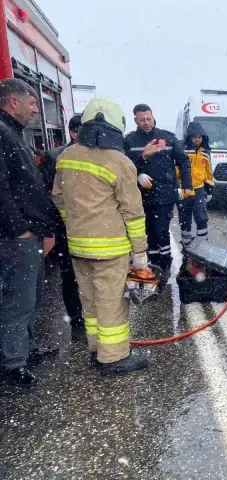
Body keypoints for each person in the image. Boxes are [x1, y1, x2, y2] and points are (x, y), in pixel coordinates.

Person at [52, 97, 150, 375]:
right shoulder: (119, 162)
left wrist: (75, 225)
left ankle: (96, 350)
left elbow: (59, 198)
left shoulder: (66, 156)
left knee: (90, 302)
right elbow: (133, 212)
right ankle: (114, 357)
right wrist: (140, 253)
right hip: (111, 249)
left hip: (78, 246)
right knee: (112, 302)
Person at [0, 78, 59, 388]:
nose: (36, 108)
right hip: (15, 239)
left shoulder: (14, 133)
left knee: (33, 298)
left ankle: (27, 349)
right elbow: (2, 188)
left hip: (30, 234)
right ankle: (14, 365)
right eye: (32, 102)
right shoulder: (3, 133)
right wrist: (19, 230)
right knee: (17, 302)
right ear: (13, 102)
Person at [124, 104, 192, 281]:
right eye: (142, 120)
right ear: (135, 121)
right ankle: (153, 265)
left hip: (165, 196)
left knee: (162, 231)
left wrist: (187, 186)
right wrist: (138, 170)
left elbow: (183, 161)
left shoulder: (167, 138)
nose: (146, 123)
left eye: (148, 118)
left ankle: (165, 264)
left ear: (153, 117)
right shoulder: (129, 141)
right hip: (141, 197)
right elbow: (123, 168)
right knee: (148, 234)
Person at [40, 114, 86, 342]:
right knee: (70, 277)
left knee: (94, 277)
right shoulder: (55, 157)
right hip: (66, 227)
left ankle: (94, 322)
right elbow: (49, 194)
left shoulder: (96, 156)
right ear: (73, 132)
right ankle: (77, 323)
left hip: (92, 227)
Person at [177, 121, 213, 247]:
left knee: (201, 217)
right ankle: (186, 244)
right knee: (184, 218)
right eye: (194, 137)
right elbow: (175, 169)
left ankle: (203, 244)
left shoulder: (205, 152)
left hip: (200, 189)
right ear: (189, 137)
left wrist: (209, 190)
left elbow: (209, 173)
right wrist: (177, 186)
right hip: (184, 189)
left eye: (199, 137)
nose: (197, 139)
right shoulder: (182, 150)